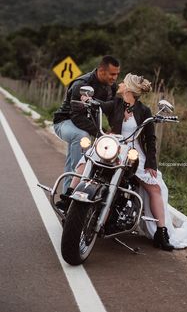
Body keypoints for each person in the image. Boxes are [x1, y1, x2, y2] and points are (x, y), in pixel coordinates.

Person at [64, 73, 175, 251]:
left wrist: (151, 163)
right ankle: (68, 198)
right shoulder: (115, 103)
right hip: (112, 144)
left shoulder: (144, 111)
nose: (120, 84)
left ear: (129, 89)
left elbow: (150, 139)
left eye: (123, 82)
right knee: (87, 160)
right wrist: (87, 100)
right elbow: (99, 105)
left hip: (133, 150)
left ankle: (161, 232)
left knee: (154, 187)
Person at [53, 55, 120, 195]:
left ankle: (68, 196)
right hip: (65, 122)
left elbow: (110, 111)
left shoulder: (111, 87)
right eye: (112, 74)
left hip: (87, 125)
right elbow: (76, 117)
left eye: (117, 74)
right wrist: (100, 133)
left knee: (86, 154)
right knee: (81, 137)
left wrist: (115, 132)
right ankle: (71, 193)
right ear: (101, 71)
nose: (115, 78)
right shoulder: (82, 84)